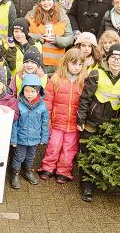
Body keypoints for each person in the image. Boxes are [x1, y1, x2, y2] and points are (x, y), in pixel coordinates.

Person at [77, 43, 120, 203]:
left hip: (112, 122)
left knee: (106, 152)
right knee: (87, 152)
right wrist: (80, 118)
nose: (115, 62)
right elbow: (85, 98)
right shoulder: (96, 74)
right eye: (113, 58)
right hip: (92, 120)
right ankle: (86, 184)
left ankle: (101, 181)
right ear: (107, 59)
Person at [38, 48, 86, 183]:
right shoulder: (56, 79)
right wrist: (47, 120)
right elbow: (47, 101)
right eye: (73, 64)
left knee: (69, 148)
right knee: (53, 146)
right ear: (66, 63)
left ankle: (63, 171)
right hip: (57, 121)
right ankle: (47, 168)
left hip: (73, 124)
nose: (76, 67)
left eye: (79, 64)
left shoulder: (84, 81)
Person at [9, 74, 49, 189]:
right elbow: (14, 124)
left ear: (38, 91)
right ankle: (15, 174)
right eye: (26, 91)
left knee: (31, 157)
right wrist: (13, 139)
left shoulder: (42, 106)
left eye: (32, 91)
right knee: (19, 157)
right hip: (21, 139)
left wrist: (44, 137)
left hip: (35, 139)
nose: (29, 94)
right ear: (22, 90)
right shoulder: (18, 104)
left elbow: (45, 122)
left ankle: (27, 171)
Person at [26, 0, 74, 74]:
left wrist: (57, 39)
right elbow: (23, 34)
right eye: (43, 0)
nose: (46, 3)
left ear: (53, 0)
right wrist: (39, 37)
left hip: (57, 64)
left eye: (49, 0)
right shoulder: (30, 15)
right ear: (39, 2)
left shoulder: (62, 16)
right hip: (36, 63)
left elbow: (70, 38)